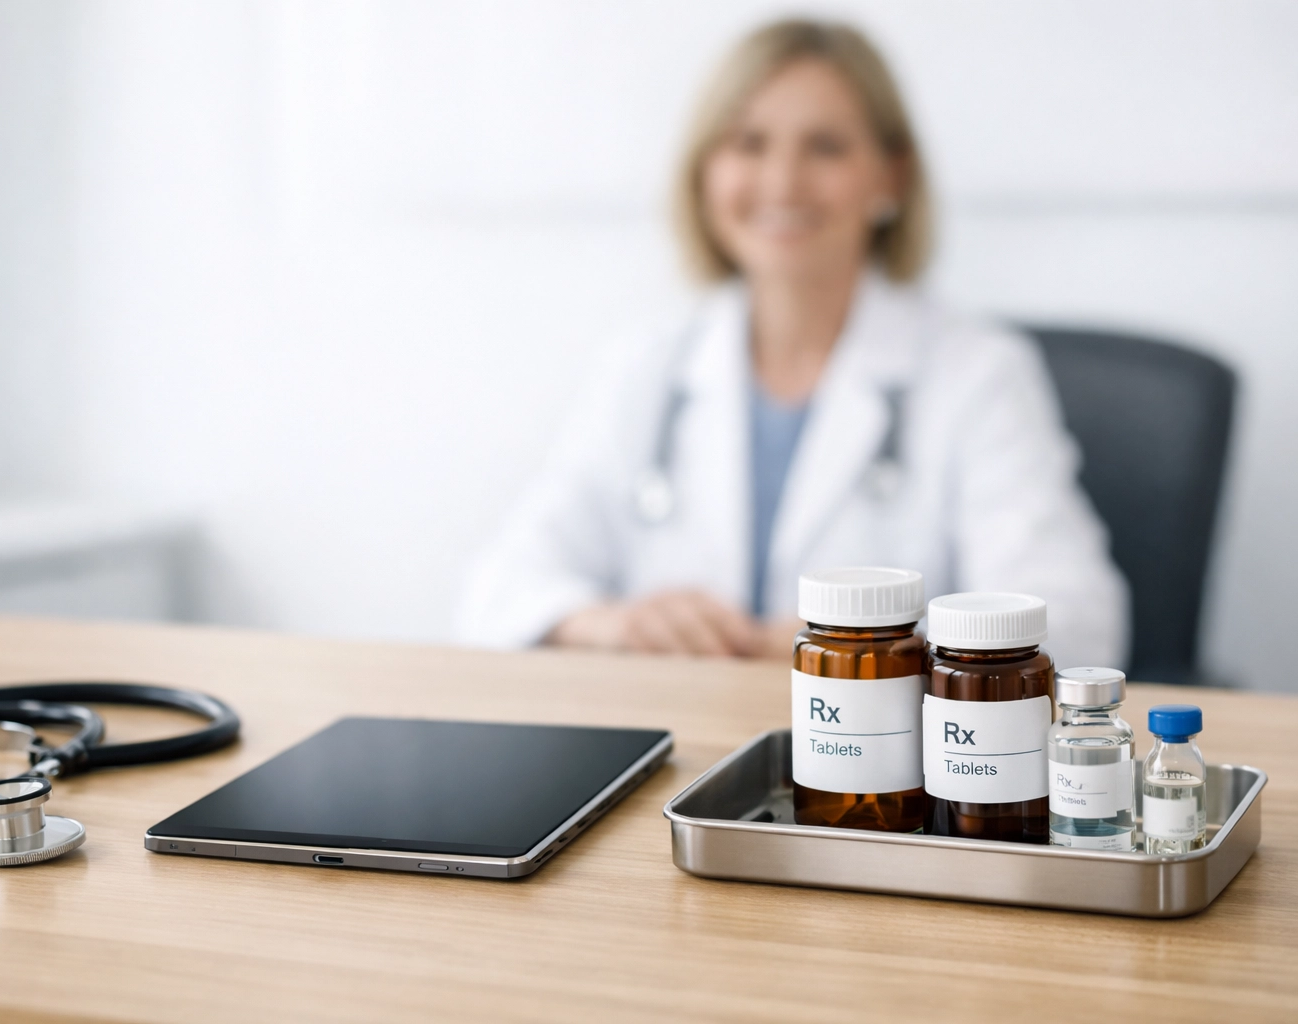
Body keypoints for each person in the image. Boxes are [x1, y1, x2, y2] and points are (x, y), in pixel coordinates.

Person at [453, 18, 1128, 669]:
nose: (782, 182)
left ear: (891, 176)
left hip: (891, 764)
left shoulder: (977, 372)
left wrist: (867, 648)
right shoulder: (647, 367)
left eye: (826, 147)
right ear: (705, 171)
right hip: (690, 750)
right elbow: (497, 595)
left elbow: (1078, 622)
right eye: (748, 143)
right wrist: (618, 625)